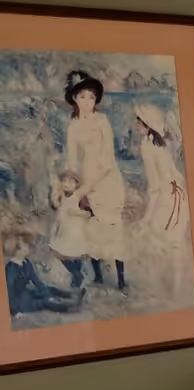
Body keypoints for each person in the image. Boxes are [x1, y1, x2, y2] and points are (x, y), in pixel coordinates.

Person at [64, 70, 127, 290]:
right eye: (82, 96)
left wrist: (89, 186)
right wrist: (74, 186)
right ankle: (98, 277)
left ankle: (121, 279)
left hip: (108, 179)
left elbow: (109, 158)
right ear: (74, 98)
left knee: (113, 228)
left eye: (91, 97)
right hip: (86, 180)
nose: (87, 101)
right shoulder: (72, 126)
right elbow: (72, 160)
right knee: (90, 229)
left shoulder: (102, 120)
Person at [135, 104, 193, 302]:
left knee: (154, 239)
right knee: (173, 244)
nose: (136, 125)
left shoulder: (147, 147)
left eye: (140, 122)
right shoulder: (159, 143)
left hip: (167, 199)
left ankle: (161, 290)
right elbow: (174, 177)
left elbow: (155, 187)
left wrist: (147, 216)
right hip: (179, 195)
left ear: (147, 125)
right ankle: (172, 290)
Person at [3, 227, 84, 317]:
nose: (29, 247)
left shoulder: (26, 262)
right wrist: (15, 311)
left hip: (25, 294)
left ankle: (72, 295)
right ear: (16, 250)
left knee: (49, 289)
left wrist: (46, 293)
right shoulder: (11, 269)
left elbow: (36, 281)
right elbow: (9, 294)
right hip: (18, 303)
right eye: (25, 245)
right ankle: (69, 307)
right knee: (44, 303)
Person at [49, 170, 93, 288]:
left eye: (70, 182)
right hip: (64, 231)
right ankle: (76, 274)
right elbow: (57, 209)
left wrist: (78, 213)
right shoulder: (61, 196)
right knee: (57, 251)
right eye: (64, 181)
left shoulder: (79, 197)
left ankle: (76, 281)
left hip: (76, 232)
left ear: (76, 184)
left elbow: (90, 214)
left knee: (76, 254)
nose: (66, 184)